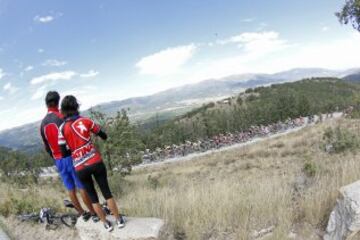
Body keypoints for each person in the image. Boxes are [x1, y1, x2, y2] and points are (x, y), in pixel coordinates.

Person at [59, 95, 126, 232]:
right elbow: (103, 135)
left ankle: (106, 224)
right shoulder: (86, 121)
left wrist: (75, 151)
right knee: (107, 193)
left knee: (93, 197)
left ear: (63, 110)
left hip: (80, 167)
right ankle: (118, 220)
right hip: (95, 161)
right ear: (76, 106)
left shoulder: (62, 129)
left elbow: (63, 153)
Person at [40, 91, 98, 222]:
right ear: (57, 102)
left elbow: (46, 146)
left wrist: (54, 156)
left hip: (58, 160)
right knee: (81, 185)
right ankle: (93, 213)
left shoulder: (42, 124)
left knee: (70, 187)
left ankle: (82, 213)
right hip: (69, 156)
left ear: (47, 104)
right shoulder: (61, 117)